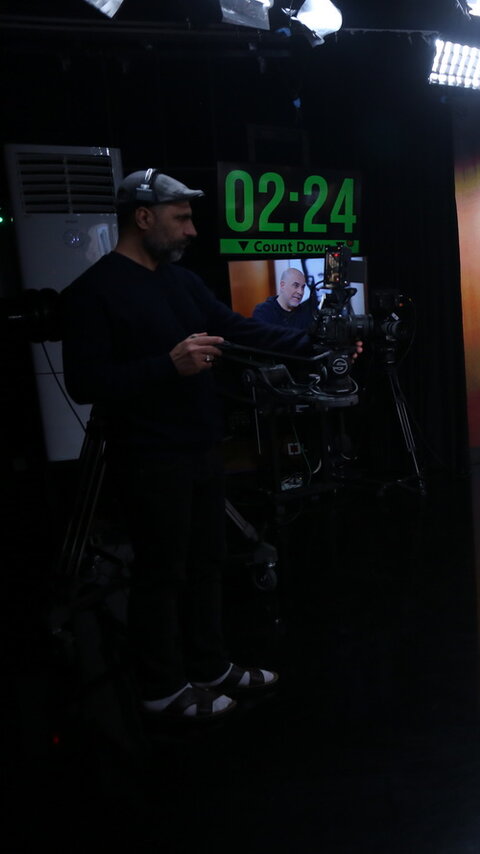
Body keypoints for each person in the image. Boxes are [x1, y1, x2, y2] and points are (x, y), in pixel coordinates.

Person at [61, 169, 316, 721]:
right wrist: (167, 365)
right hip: (148, 457)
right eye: (181, 218)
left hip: (201, 447)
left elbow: (237, 329)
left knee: (206, 563)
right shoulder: (92, 292)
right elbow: (85, 383)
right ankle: (160, 689)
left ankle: (210, 667)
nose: (191, 230)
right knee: (161, 574)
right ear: (143, 217)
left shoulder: (182, 282)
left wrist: (314, 343)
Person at [253, 266, 314, 330]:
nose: (300, 292)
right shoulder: (263, 312)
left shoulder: (306, 313)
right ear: (282, 285)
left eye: (303, 287)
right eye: (296, 285)